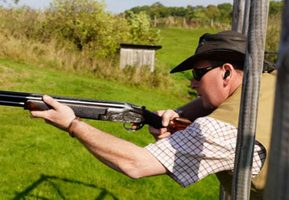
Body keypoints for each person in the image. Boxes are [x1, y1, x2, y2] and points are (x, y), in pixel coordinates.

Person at [30, 30, 276, 199]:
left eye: (198, 74)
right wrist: (175, 114)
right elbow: (213, 103)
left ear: (226, 72)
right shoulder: (274, 83)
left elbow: (136, 165)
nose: (192, 84)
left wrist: (73, 124)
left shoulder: (221, 131)